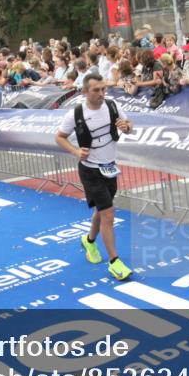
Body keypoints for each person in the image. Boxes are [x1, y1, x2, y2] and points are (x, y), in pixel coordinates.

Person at [55, 75, 133, 281]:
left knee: (102, 209)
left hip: (110, 167)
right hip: (90, 171)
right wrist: (75, 151)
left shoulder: (112, 105)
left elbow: (128, 125)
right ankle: (115, 262)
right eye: (96, 90)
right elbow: (59, 137)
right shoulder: (76, 113)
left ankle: (89, 240)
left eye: (103, 89)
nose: (101, 94)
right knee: (108, 215)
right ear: (85, 92)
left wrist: (127, 127)